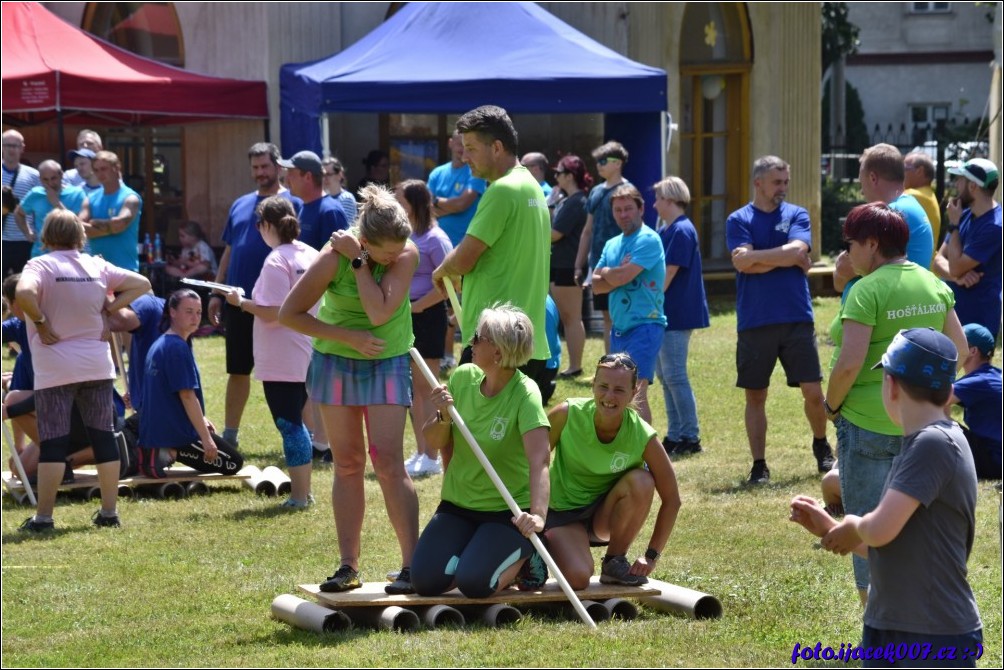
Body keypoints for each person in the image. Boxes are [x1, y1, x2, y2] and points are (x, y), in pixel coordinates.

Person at [791, 328, 982, 667]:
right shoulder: (923, 444)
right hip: (897, 623)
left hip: (931, 634)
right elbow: (892, 545)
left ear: (890, 385)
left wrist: (852, 524)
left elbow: (878, 530)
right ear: (949, 391)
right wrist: (831, 529)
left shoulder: (933, 444)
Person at [279, 184, 419, 595]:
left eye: (397, 251)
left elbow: (377, 313)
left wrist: (360, 262)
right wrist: (345, 337)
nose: (394, 258)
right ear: (365, 239)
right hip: (337, 360)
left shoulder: (403, 253)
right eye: (385, 253)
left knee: (389, 462)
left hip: (387, 358)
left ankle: (412, 564)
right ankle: (348, 566)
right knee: (348, 463)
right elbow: (290, 314)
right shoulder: (329, 260)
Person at [824, 202, 967, 603]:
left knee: (866, 523)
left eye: (850, 243)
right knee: (914, 523)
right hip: (921, 424)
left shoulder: (866, 289)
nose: (847, 253)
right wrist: (936, 399)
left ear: (872, 244)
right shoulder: (932, 283)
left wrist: (831, 406)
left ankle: (876, 625)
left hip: (867, 422)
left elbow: (850, 364)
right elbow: (959, 347)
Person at [17, 209, 150, 532]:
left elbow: (22, 293)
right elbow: (142, 283)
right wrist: (110, 308)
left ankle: (44, 518)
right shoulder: (96, 265)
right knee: (103, 437)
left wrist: (40, 320)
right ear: (81, 235)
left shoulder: (40, 265)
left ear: (47, 237)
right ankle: (109, 513)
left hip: (55, 367)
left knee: (53, 443)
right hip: (96, 365)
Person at [411, 304, 551, 598]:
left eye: (478, 338)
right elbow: (434, 441)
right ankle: (477, 552)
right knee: (424, 581)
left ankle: (527, 560)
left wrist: (536, 517)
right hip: (458, 506)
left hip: (506, 513)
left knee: (474, 584)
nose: (470, 341)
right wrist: (443, 414)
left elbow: (539, 460)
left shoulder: (526, 394)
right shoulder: (463, 378)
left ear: (498, 352)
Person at [726, 155, 832, 484]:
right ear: (758, 183)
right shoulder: (738, 219)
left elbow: (799, 250)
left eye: (785, 182)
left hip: (796, 316)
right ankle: (759, 465)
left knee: (813, 392)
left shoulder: (797, 214)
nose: (783, 188)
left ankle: (821, 445)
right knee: (755, 396)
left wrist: (757, 257)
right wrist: (784, 257)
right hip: (755, 320)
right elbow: (742, 264)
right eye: (777, 182)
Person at [431, 105, 551, 384]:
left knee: (470, 427)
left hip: (494, 343)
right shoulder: (530, 185)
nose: (464, 155)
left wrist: (441, 270)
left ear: (496, 147)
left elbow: (463, 259)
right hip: (524, 341)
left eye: (471, 148)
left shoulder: (502, 190)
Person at [544, 353, 681, 589]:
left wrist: (651, 556)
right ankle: (542, 548)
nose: (609, 396)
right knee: (578, 579)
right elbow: (531, 464)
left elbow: (672, 500)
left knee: (642, 480)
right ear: (593, 385)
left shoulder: (642, 435)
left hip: (603, 519)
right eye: (603, 387)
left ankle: (614, 562)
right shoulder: (566, 414)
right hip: (560, 513)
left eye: (619, 390)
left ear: (634, 392)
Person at [225, 197, 318, 506]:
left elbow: (271, 311)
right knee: (297, 422)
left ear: (265, 226)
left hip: (282, 355)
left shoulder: (276, 260)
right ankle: (304, 490)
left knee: (290, 425)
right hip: (307, 349)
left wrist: (239, 302)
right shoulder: (311, 254)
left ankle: (300, 495)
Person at [208, 142, 302, 448]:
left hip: (279, 305)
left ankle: (305, 436)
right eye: (255, 167)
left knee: (293, 373)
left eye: (265, 166)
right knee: (237, 369)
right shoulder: (240, 204)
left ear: (278, 167)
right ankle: (230, 435)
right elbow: (230, 250)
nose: (259, 173)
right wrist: (216, 291)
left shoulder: (293, 203)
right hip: (238, 300)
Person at [138, 289, 244, 479]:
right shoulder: (177, 347)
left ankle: (159, 450)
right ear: (172, 312)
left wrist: (201, 419)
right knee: (233, 462)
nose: (195, 318)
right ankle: (167, 453)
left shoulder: (161, 342)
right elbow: (187, 395)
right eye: (188, 311)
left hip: (155, 429)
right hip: (173, 434)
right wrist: (206, 439)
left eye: (198, 312)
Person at [591, 185, 665, 425]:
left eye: (629, 209)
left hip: (645, 325)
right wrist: (617, 272)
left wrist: (609, 273)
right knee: (620, 391)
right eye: (618, 210)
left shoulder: (649, 240)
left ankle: (645, 455)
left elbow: (620, 278)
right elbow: (596, 285)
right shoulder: (612, 244)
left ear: (641, 209)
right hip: (619, 328)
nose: (623, 214)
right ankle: (625, 445)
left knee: (637, 393)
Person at [396, 179, 453, 477]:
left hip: (427, 315)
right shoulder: (405, 235)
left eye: (400, 200)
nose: (396, 205)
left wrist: (418, 305)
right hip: (407, 316)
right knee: (413, 391)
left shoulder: (436, 238)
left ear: (415, 204)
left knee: (426, 387)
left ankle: (432, 455)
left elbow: (450, 283)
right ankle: (421, 450)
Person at [652, 176, 709, 456]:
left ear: (671, 199)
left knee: (674, 374)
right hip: (666, 312)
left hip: (676, 312)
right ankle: (676, 433)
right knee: (665, 375)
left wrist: (650, 300)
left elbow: (669, 272)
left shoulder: (681, 230)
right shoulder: (670, 229)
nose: (655, 204)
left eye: (659, 198)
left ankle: (690, 435)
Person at [833, 144, 934, 292]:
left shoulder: (891, 214)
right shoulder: (908, 206)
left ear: (873, 178)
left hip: (884, 308)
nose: (861, 191)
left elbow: (843, 267)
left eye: (861, 182)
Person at [428, 130, 487, 368]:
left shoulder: (475, 171)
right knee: (444, 300)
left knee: (465, 305)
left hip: (467, 248)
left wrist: (440, 203)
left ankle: (467, 354)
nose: (462, 148)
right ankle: (446, 355)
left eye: (468, 144)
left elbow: (465, 202)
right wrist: (447, 205)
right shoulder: (437, 173)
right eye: (459, 142)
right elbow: (428, 208)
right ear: (450, 142)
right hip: (440, 247)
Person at [932, 158, 1002, 340]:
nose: (956, 184)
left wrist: (954, 226)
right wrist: (958, 278)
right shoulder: (963, 214)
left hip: (980, 322)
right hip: (956, 316)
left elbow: (953, 266)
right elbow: (938, 260)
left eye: (960, 179)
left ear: (972, 186)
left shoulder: (995, 227)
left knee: (975, 370)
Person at [574, 141, 632, 352]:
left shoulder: (628, 191)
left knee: (621, 317)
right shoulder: (596, 191)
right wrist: (579, 264)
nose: (599, 165)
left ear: (618, 164)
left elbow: (634, 231)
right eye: (597, 161)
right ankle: (611, 365)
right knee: (607, 318)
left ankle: (624, 366)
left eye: (604, 161)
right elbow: (588, 230)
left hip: (621, 265)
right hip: (598, 263)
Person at [549, 154, 592, 378]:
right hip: (560, 264)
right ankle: (572, 364)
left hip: (569, 265)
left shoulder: (578, 201)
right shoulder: (569, 199)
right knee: (566, 317)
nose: (555, 177)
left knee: (571, 317)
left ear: (569, 175)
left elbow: (555, 234)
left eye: (558, 173)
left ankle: (575, 366)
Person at [950, 323, 1001, 480]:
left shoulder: (978, 382)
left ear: (972, 351)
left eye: (958, 343)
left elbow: (929, 400)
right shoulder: (993, 375)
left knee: (933, 421)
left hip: (994, 462)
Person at [14, 160, 90, 258]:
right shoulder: (36, 194)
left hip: (69, 255)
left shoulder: (77, 194)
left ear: (61, 175)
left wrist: (56, 203)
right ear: (40, 179)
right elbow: (19, 213)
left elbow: (79, 224)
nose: (50, 183)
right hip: (40, 254)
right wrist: (27, 232)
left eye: (53, 178)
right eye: (45, 179)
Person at [83, 151, 143, 271]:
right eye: (96, 170)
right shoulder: (90, 198)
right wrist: (110, 228)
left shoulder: (130, 198)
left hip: (125, 270)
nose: (100, 174)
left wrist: (95, 223)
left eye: (104, 169)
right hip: (97, 271)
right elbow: (79, 227)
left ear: (116, 168)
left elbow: (119, 224)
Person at [278, 150, 348, 251]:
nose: (286, 179)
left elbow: (337, 258)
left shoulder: (330, 211)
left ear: (307, 177)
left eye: (291, 174)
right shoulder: (303, 206)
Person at [2, 129, 40, 277]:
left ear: (22, 148)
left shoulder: (34, 176)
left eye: (16, 145)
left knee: (23, 283)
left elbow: (38, 207)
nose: (12, 149)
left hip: (24, 240)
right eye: (8, 145)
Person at [903, 150, 942, 245]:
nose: (901, 173)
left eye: (904, 168)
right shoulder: (928, 194)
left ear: (919, 171)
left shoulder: (913, 195)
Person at [322, 157, 358, 224]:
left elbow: (347, 227)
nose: (325, 178)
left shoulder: (346, 198)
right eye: (323, 175)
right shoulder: (322, 199)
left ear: (339, 175)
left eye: (328, 174)